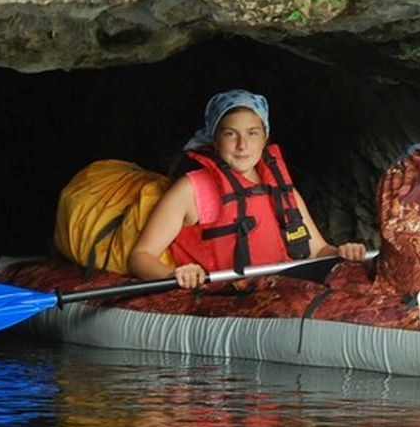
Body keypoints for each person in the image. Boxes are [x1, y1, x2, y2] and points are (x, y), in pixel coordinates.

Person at [128, 89, 368, 285]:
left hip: (279, 293)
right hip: (219, 298)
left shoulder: (284, 192)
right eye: (231, 134)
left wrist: (342, 253)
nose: (242, 145)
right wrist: (173, 275)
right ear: (214, 139)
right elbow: (141, 256)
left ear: (265, 138)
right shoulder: (191, 190)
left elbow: (318, 251)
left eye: (252, 133)